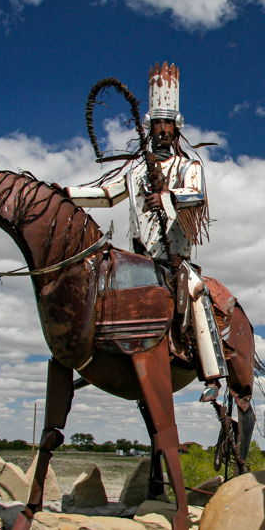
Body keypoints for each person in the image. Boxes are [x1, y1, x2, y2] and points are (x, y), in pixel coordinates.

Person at [67, 63, 227, 400]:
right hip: (137, 258)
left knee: (196, 291)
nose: (163, 129)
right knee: (99, 287)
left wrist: (166, 196)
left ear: (176, 127)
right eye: (157, 123)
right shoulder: (136, 168)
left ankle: (211, 374)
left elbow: (196, 194)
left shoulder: (188, 165)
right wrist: (63, 194)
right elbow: (108, 194)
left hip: (174, 259)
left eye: (168, 123)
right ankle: (94, 359)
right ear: (149, 127)